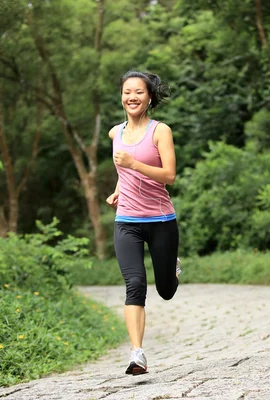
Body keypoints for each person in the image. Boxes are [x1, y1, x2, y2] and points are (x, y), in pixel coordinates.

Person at [105, 70, 181, 376]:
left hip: (161, 220)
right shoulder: (115, 133)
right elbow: (124, 173)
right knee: (134, 284)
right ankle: (137, 354)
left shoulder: (160, 131)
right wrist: (118, 190)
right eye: (127, 92)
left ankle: (172, 266)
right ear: (121, 96)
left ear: (149, 97)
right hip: (127, 221)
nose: (131, 97)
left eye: (138, 92)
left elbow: (170, 176)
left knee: (165, 290)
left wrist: (135, 163)